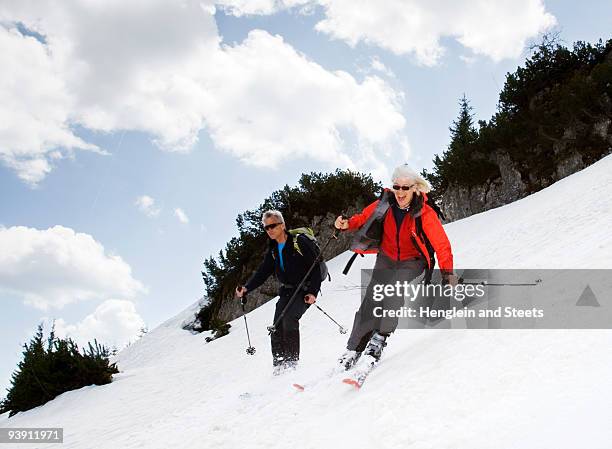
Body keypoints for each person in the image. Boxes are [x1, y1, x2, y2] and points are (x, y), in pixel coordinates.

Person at [334, 163, 457, 370]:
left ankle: (378, 340)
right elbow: (364, 218)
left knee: (393, 291)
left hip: (412, 260)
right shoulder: (384, 203)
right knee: (371, 299)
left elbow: (442, 245)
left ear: (415, 189)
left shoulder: (424, 213)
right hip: (387, 257)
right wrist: (347, 224)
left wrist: (447, 273)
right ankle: (353, 348)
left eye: (405, 188)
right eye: (396, 187)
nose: (400, 192)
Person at [236, 210, 322, 375]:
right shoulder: (274, 250)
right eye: (266, 228)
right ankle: (279, 366)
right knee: (276, 327)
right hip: (287, 291)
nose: (269, 230)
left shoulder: (300, 241)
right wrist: (246, 288)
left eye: (273, 226)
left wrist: (313, 292)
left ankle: (291, 364)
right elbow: (262, 273)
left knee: (290, 319)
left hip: (305, 289)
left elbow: (316, 267)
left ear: (282, 225)